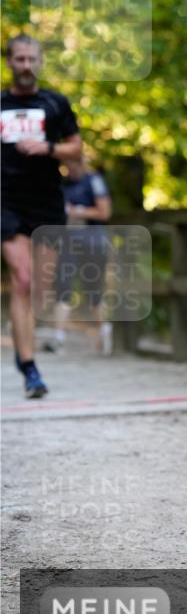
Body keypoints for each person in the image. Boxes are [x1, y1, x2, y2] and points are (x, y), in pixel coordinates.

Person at [1, 34, 82, 397]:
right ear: (10, 62)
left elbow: (76, 151)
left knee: (38, 290)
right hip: (6, 202)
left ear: (40, 61)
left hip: (46, 203)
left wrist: (47, 147)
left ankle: (23, 348)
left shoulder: (55, 103)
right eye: (20, 59)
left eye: (32, 59)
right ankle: (31, 368)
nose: (26, 65)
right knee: (22, 278)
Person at [51, 157, 113, 356]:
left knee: (94, 290)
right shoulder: (63, 185)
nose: (69, 169)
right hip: (69, 242)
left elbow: (104, 212)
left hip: (94, 242)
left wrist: (78, 211)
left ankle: (104, 331)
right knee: (63, 286)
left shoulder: (94, 180)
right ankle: (58, 338)